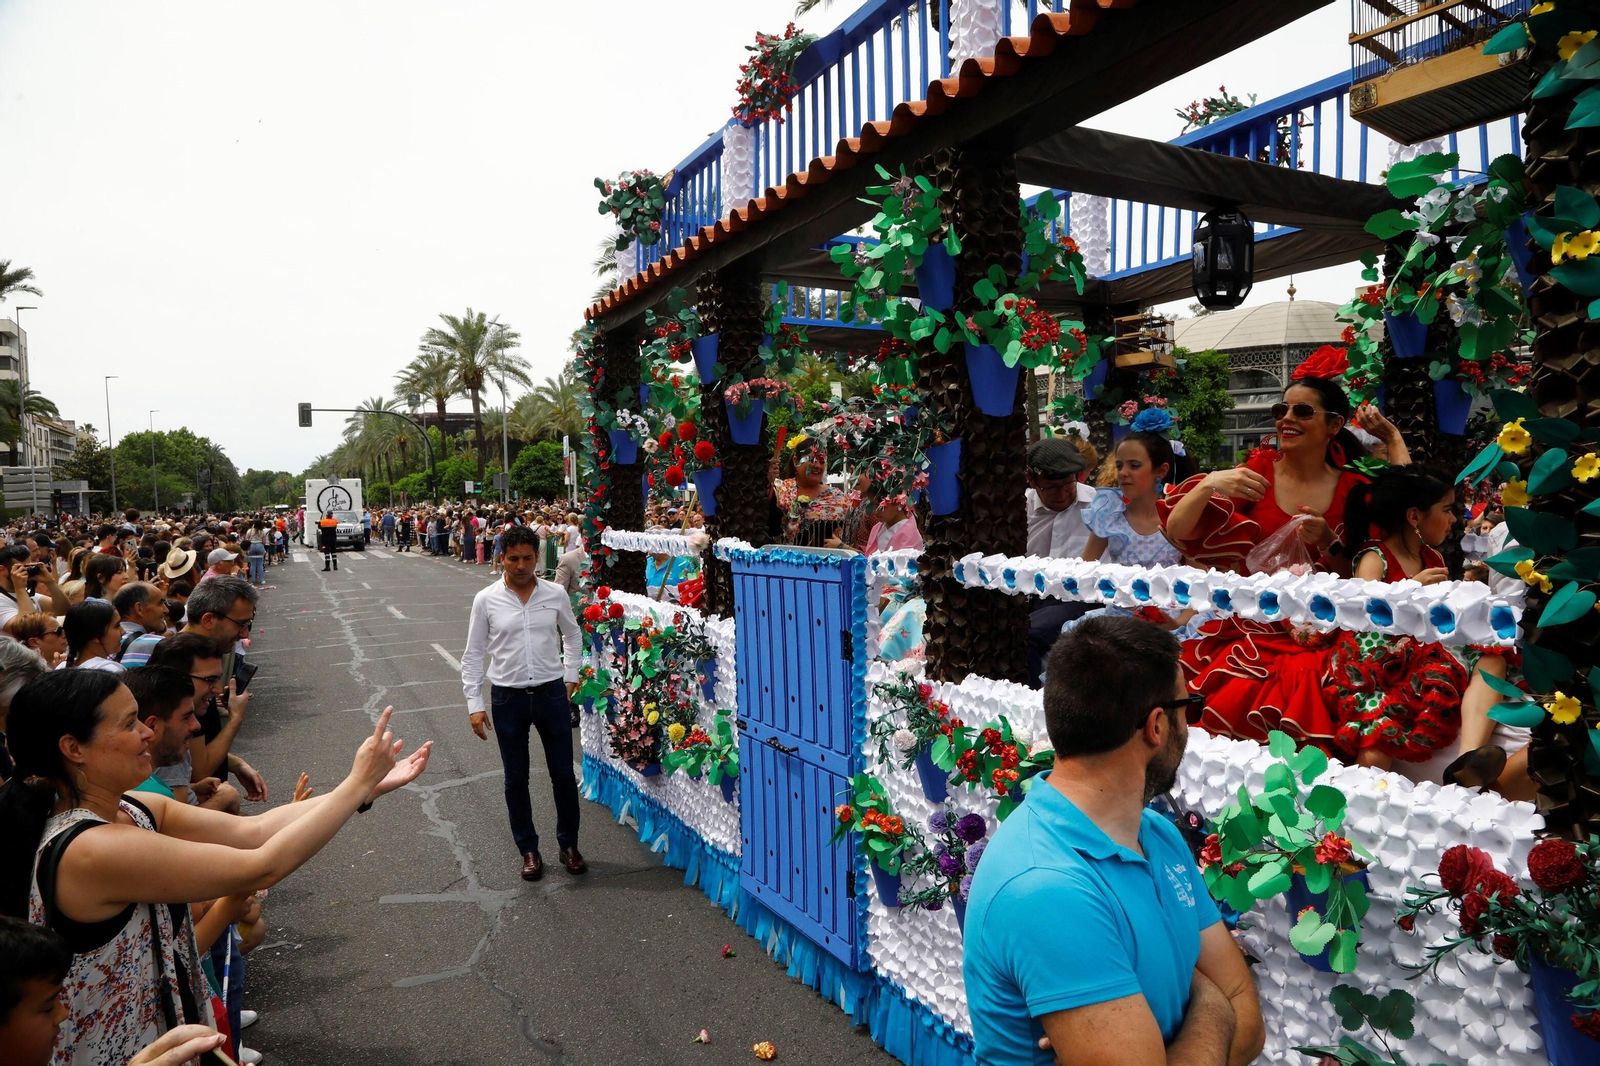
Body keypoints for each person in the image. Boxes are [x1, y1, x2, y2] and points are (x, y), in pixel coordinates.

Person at [0, 670, 430, 1066]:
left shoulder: (134, 807)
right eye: (130, 723)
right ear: (73, 748)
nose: (148, 732)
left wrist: (365, 788)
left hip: (164, 1035)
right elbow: (262, 866)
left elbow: (257, 831)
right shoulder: (89, 848)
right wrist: (355, 784)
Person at [963, 615, 1263, 1066]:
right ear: (1156, 726)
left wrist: (1208, 1002)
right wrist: (1211, 998)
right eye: (1190, 708)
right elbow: (1231, 1000)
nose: (1191, 727)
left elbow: (1251, 1025)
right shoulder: (1047, 887)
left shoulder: (1157, 834)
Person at [1160, 375, 1371, 751]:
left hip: (1332, 634)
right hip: (1252, 634)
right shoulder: (1254, 475)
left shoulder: (1356, 488)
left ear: (1335, 425)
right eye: (1281, 409)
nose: (1286, 418)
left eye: (1302, 411)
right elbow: (1177, 532)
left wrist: (1327, 541)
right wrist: (1209, 483)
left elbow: (1368, 572)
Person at [461, 523, 585, 880]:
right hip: (507, 698)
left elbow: (573, 635)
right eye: (512, 559)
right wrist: (474, 704)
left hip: (551, 694)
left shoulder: (554, 594)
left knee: (562, 774)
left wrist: (571, 674)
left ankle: (569, 845)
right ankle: (528, 850)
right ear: (501, 558)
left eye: (527, 558)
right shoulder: (486, 600)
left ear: (536, 557)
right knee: (515, 779)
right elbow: (473, 655)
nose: (520, 566)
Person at [1326, 465, 1468, 768]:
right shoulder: (1372, 558)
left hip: (1425, 657)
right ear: (1414, 516)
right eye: (1447, 509)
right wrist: (1412, 588)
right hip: (1375, 668)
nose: (1454, 519)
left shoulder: (1434, 557)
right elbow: (1365, 618)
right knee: (1376, 740)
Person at [1025, 437, 1097, 687]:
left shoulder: (1097, 505)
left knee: (1028, 636)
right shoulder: (1020, 509)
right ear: (1032, 482)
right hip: (1031, 595)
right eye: (1051, 487)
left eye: (1068, 484)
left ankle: (1032, 712)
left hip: (1082, 597)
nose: (1062, 493)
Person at [60, 602, 127, 674]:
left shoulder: (61, 668)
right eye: (117, 626)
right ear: (95, 636)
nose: (123, 631)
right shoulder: (110, 671)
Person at [112, 583, 167, 665]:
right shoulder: (159, 646)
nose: (166, 610)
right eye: (160, 603)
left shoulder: (100, 644)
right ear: (139, 609)